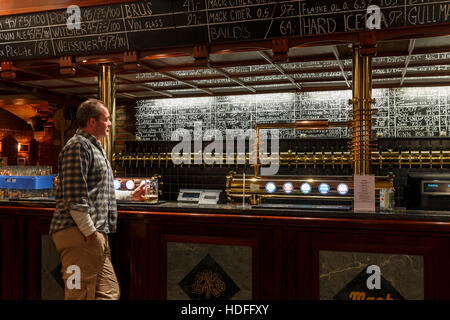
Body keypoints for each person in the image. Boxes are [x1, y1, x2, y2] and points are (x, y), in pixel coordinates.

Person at [49, 98, 144, 300]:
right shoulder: (77, 146)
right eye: (107, 119)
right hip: (79, 234)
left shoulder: (94, 147)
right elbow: (75, 196)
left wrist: (130, 195)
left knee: (108, 293)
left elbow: (99, 191)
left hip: (94, 235)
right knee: (78, 294)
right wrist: (90, 231)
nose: (110, 123)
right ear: (93, 121)